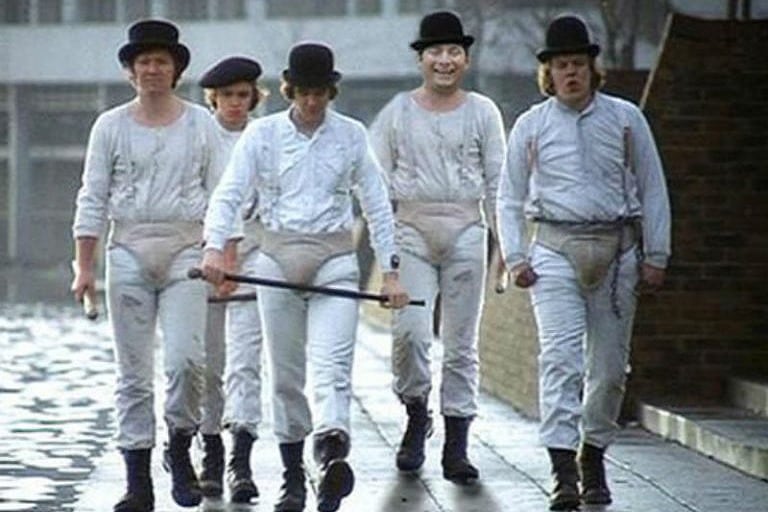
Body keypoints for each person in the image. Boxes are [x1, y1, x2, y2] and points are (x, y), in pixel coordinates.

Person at [200, 42, 410, 512]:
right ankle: (293, 476)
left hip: (334, 258)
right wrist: (215, 248)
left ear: (331, 92)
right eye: (304, 93)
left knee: (333, 366)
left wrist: (391, 271)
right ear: (289, 91)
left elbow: (377, 204)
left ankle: (331, 450)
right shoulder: (263, 136)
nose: (312, 101)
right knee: (286, 376)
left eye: (319, 93)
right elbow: (229, 194)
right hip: (275, 257)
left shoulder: (351, 135)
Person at [496, 14, 671, 511]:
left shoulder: (625, 119)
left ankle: (592, 455)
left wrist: (657, 253)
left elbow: (653, 186)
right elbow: (508, 195)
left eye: (577, 63)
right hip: (554, 249)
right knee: (561, 360)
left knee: (610, 368)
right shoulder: (531, 125)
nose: (570, 72)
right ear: (548, 72)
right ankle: (562, 471)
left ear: (593, 68)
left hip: (618, 250)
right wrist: (515, 256)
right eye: (560, 65)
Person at [71, 19, 227, 511]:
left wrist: (220, 251)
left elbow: (223, 195)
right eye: (144, 62)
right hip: (129, 249)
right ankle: (137, 479)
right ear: (131, 71)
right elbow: (92, 196)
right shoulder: (110, 126)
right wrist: (84, 266)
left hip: (186, 250)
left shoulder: (202, 124)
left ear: (176, 70)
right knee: (133, 373)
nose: (153, 69)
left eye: (161, 61)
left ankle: (179, 447)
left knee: (185, 361)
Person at [368, 10, 506, 484]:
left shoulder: (483, 111)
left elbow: (498, 183)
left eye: (453, 52)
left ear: (465, 59)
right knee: (411, 334)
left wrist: (506, 248)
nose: (444, 60)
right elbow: (375, 186)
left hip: (466, 228)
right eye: (435, 52)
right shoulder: (397, 112)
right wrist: (385, 256)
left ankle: (457, 445)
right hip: (412, 230)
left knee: (461, 343)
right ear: (421, 59)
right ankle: (415, 412)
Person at [196, 56, 266, 502]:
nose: (236, 103)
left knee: (245, 359)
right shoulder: (198, 137)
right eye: (227, 96)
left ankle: (241, 457)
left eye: (243, 95)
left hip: (255, 257)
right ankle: (210, 450)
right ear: (214, 98)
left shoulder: (267, 137)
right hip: (204, 256)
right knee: (207, 361)